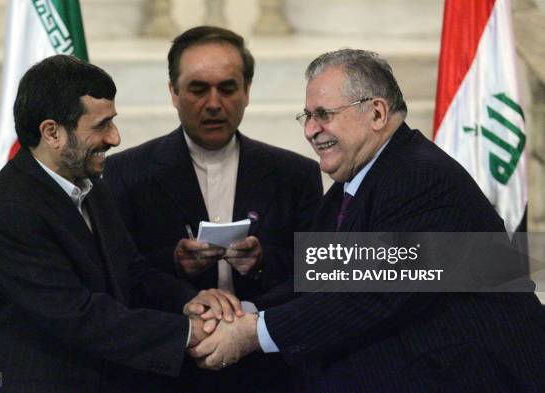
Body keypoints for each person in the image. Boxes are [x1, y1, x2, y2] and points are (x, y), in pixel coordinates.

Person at [189, 49, 545, 392]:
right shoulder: (354, 184)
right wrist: (241, 312)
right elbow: (316, 277)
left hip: (472, 375)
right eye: (307, 116)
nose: (311, 130)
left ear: (376, 113)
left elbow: (369, 295)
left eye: (324, 114)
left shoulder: (420, 179)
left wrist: (254, 332)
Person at [0, 54, 242, 393]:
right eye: (101, 126)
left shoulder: (92, 188)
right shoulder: (7, 208)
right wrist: (186, 332)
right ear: (52, 133)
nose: (115, 138)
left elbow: (132, 272)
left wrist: (187, 302)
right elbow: (76, 314)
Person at [104, 26, 323, 393]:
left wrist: (263, 262)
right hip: (165, 371)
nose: (213, 103)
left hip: (268, 371)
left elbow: (314, 269)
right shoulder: (125, 174)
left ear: (247, 91)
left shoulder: (295, 174)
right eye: (197, 88)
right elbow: (114, 276)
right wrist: (172, 263)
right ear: (173, 92)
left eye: (227, 88)